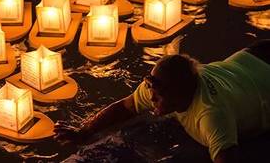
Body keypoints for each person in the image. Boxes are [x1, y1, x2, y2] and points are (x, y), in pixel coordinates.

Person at [54, 40, 270, 163]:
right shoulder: (157, 87)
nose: (151, 97)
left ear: (180, 94)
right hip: (252, 57)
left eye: (159, 95)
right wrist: (84, 131)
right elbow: (125, 106)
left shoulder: (211, 116)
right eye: (151, 89)